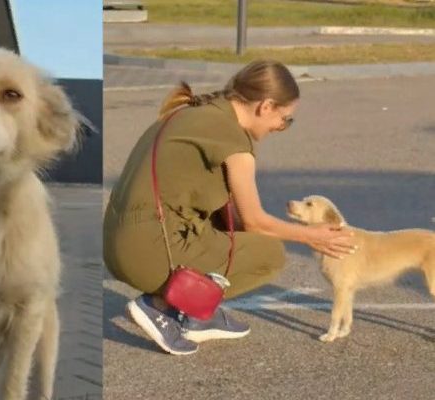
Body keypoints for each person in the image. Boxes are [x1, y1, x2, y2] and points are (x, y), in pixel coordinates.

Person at [103, 60, 355, 355]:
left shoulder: (195, 112)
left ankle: (198, 312)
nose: (281, 127)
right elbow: (254, 222)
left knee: (227, 226)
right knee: (268, 254)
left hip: (118, 242)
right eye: (285, 119)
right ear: (266, 106)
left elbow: (231, 216)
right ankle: (164, 307)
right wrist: (312, 235)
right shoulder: (233, 140)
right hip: (146, 253)